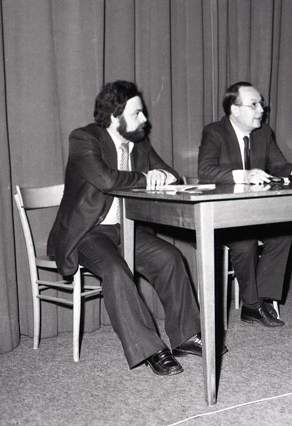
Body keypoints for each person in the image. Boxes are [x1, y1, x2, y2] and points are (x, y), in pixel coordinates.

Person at [47, 80, 225, 377]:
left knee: (170, 258)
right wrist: (146, 177)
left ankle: (186, 336)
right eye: (137, 113)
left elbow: (172, 175)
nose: (145, 119)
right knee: (116, 270)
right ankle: (151, 349)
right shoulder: (84, 138)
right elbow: (105, 180)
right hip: (88, 232)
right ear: (114, 116)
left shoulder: (140, 143)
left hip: (127, 230)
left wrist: (161, 176)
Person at [197, 81, 292, 327]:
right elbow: (205, 171)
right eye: (254, 105)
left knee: (283, 234)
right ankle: (252, 303)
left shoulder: (264, 133)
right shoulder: (214, 132)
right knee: (244, 243)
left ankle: (260, 301)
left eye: (261, 104)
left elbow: (279, 165)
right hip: (224, 216)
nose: (261, 110)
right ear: (234, 109)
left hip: (256, 214)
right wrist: (243, 175)